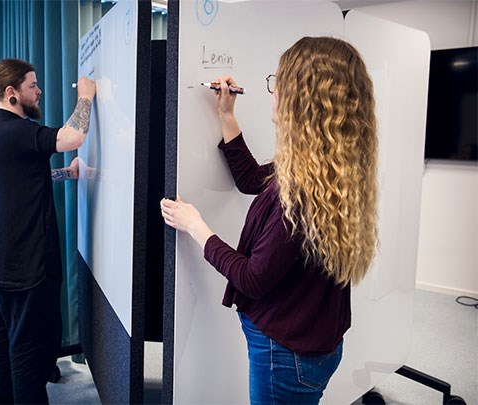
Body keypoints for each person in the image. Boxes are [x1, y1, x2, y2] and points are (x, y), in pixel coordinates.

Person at [160, 36, 378, 404]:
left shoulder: (302, 191)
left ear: (302, 101)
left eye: (278, 83)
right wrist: (226, 116)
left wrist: (195, 225)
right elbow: (250, 180)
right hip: (312, 341)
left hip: (286, 356)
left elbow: (252, 279)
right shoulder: (328, 166)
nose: (271, 92)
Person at [0, 58, 96, 404]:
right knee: (27, 354)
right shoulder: (15, 129)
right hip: (22, 269)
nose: (39, 90)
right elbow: (72, 136)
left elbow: (22, 181)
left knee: (1, 344)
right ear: (11, 93)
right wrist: (86, 96)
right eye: (33, 85)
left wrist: (65, 175)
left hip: (3, 266)